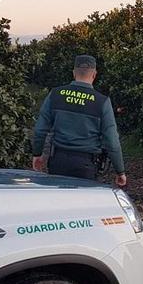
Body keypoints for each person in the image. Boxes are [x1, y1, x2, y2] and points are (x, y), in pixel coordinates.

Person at [32, 55, 127, 187]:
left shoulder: (55, 94)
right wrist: (120, 171)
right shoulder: (102, 102)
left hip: (58, 161)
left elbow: (40, 130)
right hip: (86, 165)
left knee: (57, 202)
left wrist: (37, 154)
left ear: (74, 73)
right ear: (94, 74)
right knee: (81, 205)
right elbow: (112, 141)